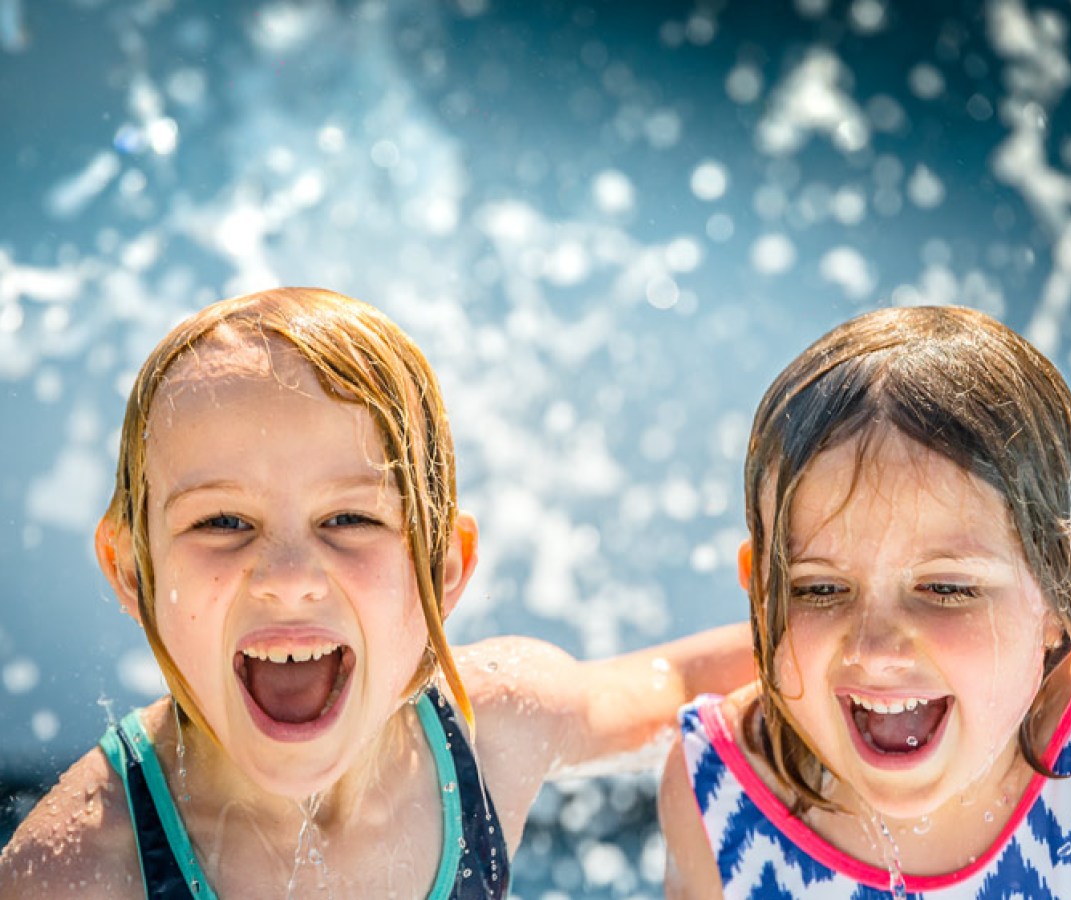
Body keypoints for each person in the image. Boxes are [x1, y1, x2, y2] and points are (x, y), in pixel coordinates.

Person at [0, 287, 753, 899]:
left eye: (350, 518)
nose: (288, 578)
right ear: (133, 571)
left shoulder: (488, 735)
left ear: (445, 566)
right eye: (224, 522)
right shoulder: (80, 873)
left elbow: (681, 688)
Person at [658, 305, 1071, 898]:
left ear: (1065, 592)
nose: (876, 651)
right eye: (820, 589)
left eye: (946, 589)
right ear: (760, 593)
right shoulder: (719, 799)